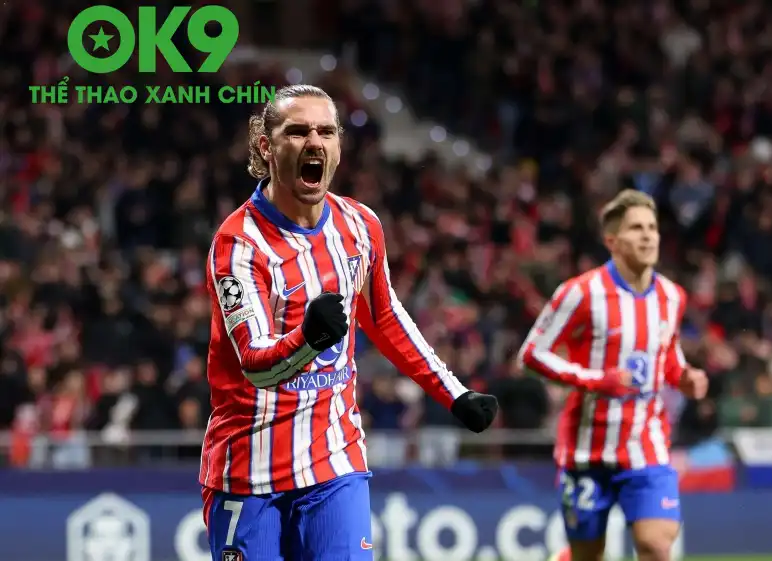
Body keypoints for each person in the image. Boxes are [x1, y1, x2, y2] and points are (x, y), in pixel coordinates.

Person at [200, 84, 499, 561]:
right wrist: (309, 339)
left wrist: (454, 393)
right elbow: (255, 364)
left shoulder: (359, 226)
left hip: (334, 460)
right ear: (265, 147)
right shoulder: (238, 243)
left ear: (338, 146)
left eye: (326, 131)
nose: (313, 142)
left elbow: (386, 318)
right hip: (249, 471)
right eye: (297, 131)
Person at [517, 189, 708, 561]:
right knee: (588, 555)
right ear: (612, 241)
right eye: (636, 228)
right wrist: (595, 380)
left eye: (652, 227)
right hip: (587, 450)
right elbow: (531, 355)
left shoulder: (672, 297)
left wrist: (683, 375)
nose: (648, 236)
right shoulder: (580, 293)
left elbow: (665, 353)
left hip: (646, 446)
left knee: (656, 545)